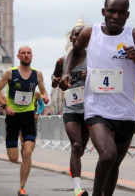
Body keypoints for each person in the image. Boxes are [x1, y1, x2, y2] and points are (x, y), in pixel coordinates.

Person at [59, 0, 135, 196]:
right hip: (97, 110)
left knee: (114, 164)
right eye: (111, 11)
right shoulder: (91, 33)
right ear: (103, 12)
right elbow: (76, 51)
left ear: (127, 14)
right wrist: (66, 72)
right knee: (107, 155)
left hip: (126, 113)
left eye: (121, 12)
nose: (116, 16)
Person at [0, 45, 49, 196]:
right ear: (18, 56)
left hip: (29, 116)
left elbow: (43, 91)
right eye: (23, 53)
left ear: (32, 56)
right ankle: (19, 153)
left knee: (28, 151)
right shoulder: (10, 73)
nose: (26, 55)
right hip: (12, 117)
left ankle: (22, 188)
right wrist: (5, 106)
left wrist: (44, 96)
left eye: (29, 53)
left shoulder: (37, 75)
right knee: (13, 158)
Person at [52, 25, 89, 196]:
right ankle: (77, 188)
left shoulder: (94, 58)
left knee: (80, 149)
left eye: (83, 34)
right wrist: (57, 81)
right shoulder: (63, 61)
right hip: (71, 109)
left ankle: (74, 165)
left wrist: (91, 75)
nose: (80, 37)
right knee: (75, 145)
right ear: (71, 39)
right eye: (76, 34)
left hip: (90, 110)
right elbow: (55, 77)